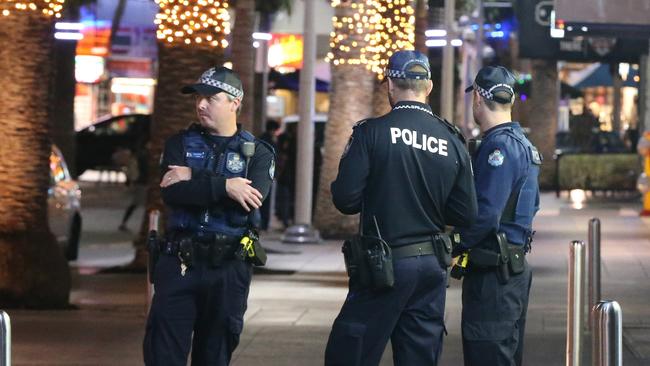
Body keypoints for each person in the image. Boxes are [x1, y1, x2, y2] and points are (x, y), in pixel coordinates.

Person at [324, 50, 478, 366]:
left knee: (350, 350)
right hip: (432, 266)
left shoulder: (371, 132)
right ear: (430, 87)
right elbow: (466, 213)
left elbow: (346, 200)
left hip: (386, 263)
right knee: (419, 357)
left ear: (391, 85)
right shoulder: (451, 139)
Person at [143, 66, 275, 366]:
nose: (201, 104)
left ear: (234, 102)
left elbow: (251, 200)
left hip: (228, 268)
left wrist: (193, 176)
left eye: (211, 98)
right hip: (179, 264)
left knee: (214, 356)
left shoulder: (258, 153)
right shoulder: (179, 144)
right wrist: (226, 185)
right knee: (162, 354)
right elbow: (173, 193)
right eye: (198, 98)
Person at [453, 66, 541, 366]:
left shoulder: (498, 147)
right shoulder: (525, 147)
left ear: (477, 97)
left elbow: (486, 214)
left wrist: (452, 243)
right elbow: (532, 206)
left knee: (488, 353)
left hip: (493, 275)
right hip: (512, 271)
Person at [118, 144, 148, 232]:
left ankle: (124, 223)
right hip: (141, 183)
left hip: (140, 182)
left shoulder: (138, 157)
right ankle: (124, 223)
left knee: (136, 204)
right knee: (136, 203)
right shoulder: (143, 157)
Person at [258, 120, 280, 230]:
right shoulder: (270, 141)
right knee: (267, 200)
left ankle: (261, 223)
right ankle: (264, 224)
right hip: (269, 173)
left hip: (260, 172)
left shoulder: (260, 139)